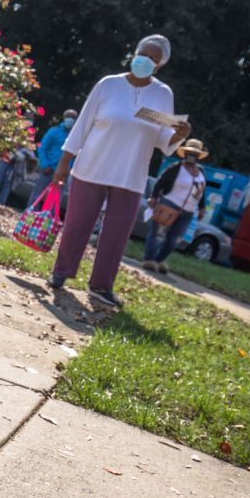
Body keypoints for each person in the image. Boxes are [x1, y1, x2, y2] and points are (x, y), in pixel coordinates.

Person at [46, 34, 192, 307]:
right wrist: (64, 164)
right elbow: (82, 126)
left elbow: (163, 140)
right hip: (91, 168)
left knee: (116, 234)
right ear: (134, 52)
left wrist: (180, 135)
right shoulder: (108, 85)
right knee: (77, 225)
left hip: (130, 176)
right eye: (143, 53)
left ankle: (101, 286)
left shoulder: (162, 94)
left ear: (159, 65)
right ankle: (61, 272)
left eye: (153, 58)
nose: (145, 60)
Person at [142, 139, 208, 273]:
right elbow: (160, 182)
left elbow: (201, 191)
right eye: (189, 152)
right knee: (158, 235)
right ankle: (149, 259)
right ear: (184, 153)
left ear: (198, 156)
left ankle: (158, 261)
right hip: (169, 204)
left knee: (175, 240)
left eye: (194, 153)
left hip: (188, 211)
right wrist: (154, 197)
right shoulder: (176, 168)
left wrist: (202, 208)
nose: (191, 156)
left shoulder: (201, 172)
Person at [27, 109, 77, 208]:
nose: (70, 120)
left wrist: (69, 169)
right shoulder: (54, 131)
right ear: (64, 118)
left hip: (62, 174)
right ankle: (29, 219)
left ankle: (48, 221)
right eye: (69, 117)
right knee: (37, 196)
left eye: (73, 118)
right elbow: (43, 148)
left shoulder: (74, 136)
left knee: (55, 201)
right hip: (48, 170)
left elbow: (74, 155)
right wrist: (45, 165)